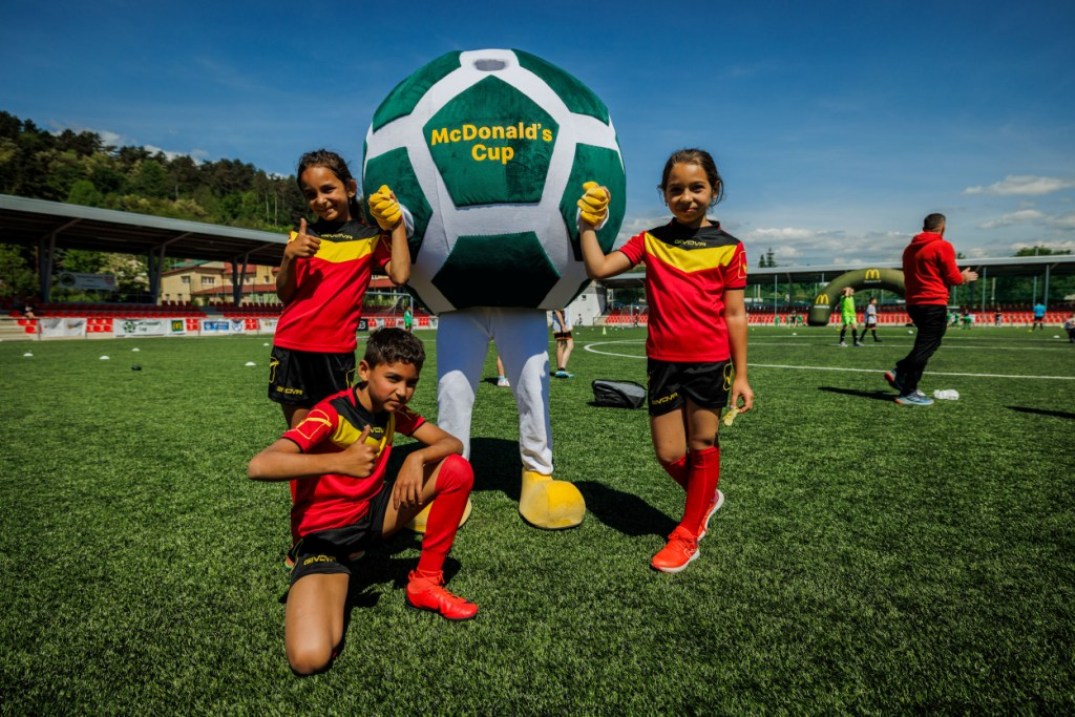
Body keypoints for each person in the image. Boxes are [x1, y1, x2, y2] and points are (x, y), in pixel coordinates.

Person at [248, 328, 478, 675]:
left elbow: (452, 443)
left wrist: (417, 457)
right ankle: (320, 572)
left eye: (411, 383)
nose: (402, 391)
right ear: (365, 370)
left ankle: (425, 582)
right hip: (327, 539)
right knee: (310, 658)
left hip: (373, 515)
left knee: (456, 470)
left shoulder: (393, 411)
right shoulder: (330, 414)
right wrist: (339, 462)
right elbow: (260, 465)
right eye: (393, 379)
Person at [577, 148, 754, 573]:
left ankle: (687, 534)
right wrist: (587, 226)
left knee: (702, 445)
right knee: (669, 453)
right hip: (662, 362)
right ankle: (705, 498)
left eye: (697, 188)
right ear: (664, 193)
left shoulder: (731, 248)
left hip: (710, 363)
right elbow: (599, 268)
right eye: (676, 190)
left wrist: (742, 376)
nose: (686, 197)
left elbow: (735, 314)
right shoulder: (650, 241)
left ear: (714, 189)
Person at [268, 150, 411, 429]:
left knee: (335, 431)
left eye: (327, 189)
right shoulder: (302, 236)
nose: (320, 200)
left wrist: (396, 225)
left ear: (350, 188)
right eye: (311, 194)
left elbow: (400, 274)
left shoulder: (370, 237)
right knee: (302, 434)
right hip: (292, 345)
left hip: (336, 351)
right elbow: (285, 295)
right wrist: (289, 256)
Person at [885, 213, 978, 406]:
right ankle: (908, 390)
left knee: (927, 344)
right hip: (933, 303)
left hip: (914, 304)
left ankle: (900, 372)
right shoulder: (942, 246)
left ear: (924, 227)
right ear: (943, 228)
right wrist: (964, 277)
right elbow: (953, 278)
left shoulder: (909, 249)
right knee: (925, 347)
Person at [551, 309, 575, 378]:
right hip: (560, 325)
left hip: (563, 324)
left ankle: (561, 369)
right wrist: (563, 325)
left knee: (570, 345)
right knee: (561, 346)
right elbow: (557, 311)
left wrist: (569, 324)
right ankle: (560, 370)